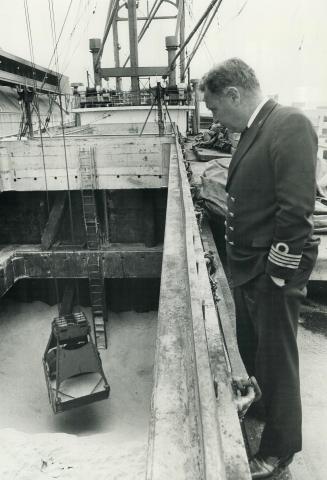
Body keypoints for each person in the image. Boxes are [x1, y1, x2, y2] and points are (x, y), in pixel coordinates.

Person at [200, 58, 319, 479]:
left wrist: (276, 274)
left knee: (278, 360)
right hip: (249, 268)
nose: (214, 116)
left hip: (271, 272)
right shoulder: (255, 129)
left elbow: (296, 211)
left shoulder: (289, 125)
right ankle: (261, 401)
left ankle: (279, 448)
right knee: (253, 348)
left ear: (234, 94)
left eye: (215, 107)